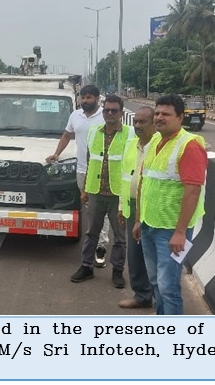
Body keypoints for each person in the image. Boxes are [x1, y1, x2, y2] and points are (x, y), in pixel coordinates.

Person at [133, 94, 207, 315]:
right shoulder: (154, 141)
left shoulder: (189, 145)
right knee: (156, 281)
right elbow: (144, 182)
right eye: (157, 113)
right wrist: (138, 219)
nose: (159, 118)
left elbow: (193, 190)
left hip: (171, 231)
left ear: (181, 117)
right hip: (148, 224)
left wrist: (180, 232)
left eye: (166, 114)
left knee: (168, 286)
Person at [70, 95, 133, 286]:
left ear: (121, 113)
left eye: (114, 110)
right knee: (91, 233)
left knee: (120, 237)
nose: (110, 113)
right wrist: (85, 190)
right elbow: (90, 161)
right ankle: (86, 267)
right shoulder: (94, 132)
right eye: (106, 110)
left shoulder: (130, 134)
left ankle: (117, 270)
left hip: (118, 194)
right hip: (96, 191)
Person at [47, 84, 110, 267]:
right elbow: (67, 135)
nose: (85, 100)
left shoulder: (105, 116)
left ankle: (101, 247)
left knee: (101, 210)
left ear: (97, 99)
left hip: (102, 171)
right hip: (82, 170)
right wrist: (57, 154)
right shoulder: (75, 115)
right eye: (83, 97)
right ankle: (92, 243)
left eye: (89, 97)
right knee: (89, 208)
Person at [117, 107, 156, 308]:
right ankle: (142, 295)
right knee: (135, 254)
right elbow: (125, 177)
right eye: (136, 122)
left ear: (154, 124)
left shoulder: (159, 146)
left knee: (155, 255)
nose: (138, 126)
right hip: (132, 205)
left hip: (153, 206)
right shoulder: (131, 144)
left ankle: (160, 297)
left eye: (143, 122)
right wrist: (121, 207)